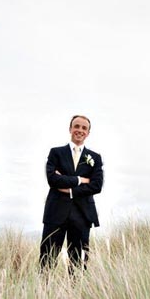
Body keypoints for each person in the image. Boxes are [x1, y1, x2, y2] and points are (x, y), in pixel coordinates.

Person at [39, 115, 104, 276]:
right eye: (76, 126)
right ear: (70, 129)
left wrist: (70, 190)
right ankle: (43, 294)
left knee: (78, 261)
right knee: (47, 258)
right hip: (56, 213)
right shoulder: (56, 153)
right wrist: (80, 180)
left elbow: (96, 185)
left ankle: (75, 297)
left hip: (82, 215)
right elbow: (53, 179)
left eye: (84, 128)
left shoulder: (95, 158)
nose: (79, 130)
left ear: (88, 133)